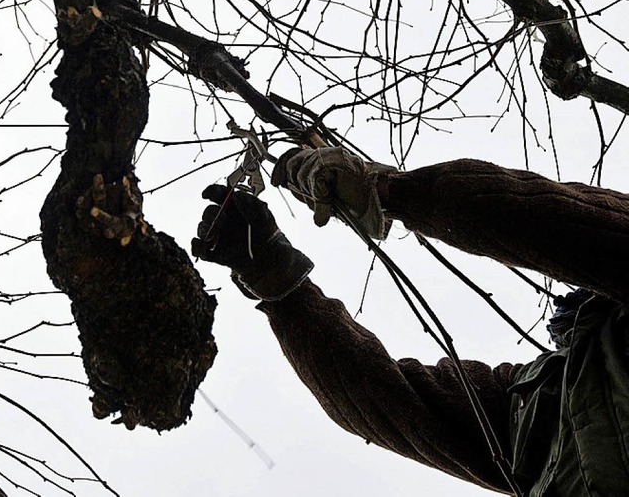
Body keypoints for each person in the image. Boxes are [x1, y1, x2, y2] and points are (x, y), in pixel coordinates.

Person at [191, 148, 629, 495]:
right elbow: (387, 402)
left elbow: (577, 230)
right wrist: (283, 286)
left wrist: (389, 192)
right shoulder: (551, 390)